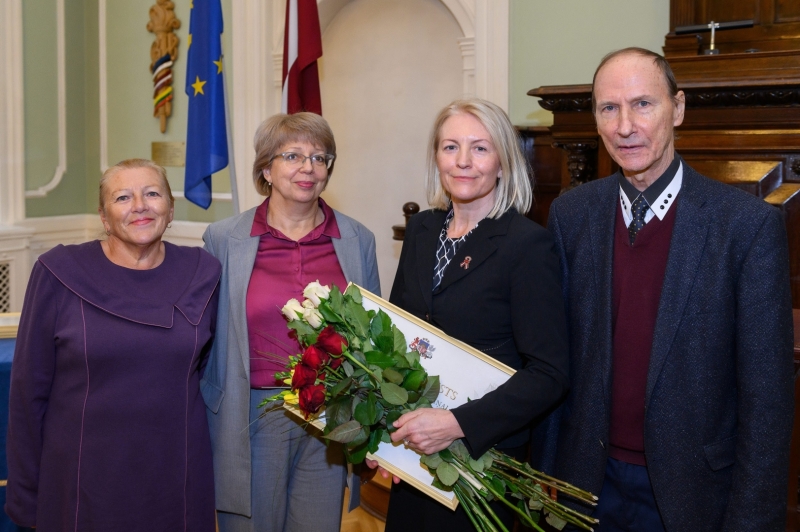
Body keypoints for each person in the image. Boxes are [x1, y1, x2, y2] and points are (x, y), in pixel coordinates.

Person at [536, 47, 795, 532]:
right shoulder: (571, 215)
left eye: (643, 104)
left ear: (677, 108)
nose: (624, 126)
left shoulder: (746, 227)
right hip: (585, 483)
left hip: (693, 491)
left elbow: (768, 400)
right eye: (608, 108)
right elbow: (558, 356)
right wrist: (546, 475)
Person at [376, 98, 569, 530]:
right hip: (415, 453)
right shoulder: (422, 231)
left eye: (480, 148)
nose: (463, 162)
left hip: (483, 460)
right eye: (450, 147)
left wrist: (457, 424)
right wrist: (385, 437)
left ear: (503, 162)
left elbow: (550, 373)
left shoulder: (526, 246)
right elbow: (396, 343)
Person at [6, 159, 220, 531]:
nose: (140, 205)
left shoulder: (204, 272)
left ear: (170, 210)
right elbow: (28, 394)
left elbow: (214, 377)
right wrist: (26, 496)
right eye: (123, 197)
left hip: (177, 475)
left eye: (152, 193)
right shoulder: (58, 273)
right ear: (104, 217)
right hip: (82, 480)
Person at [201, 112, 380, 532]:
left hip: (330, 417)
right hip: (251, 415)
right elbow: (204, 337)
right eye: (293, 156)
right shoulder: (224, 239)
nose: (308, 168)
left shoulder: (357, 240)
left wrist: (371, 425)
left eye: (320, 158)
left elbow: (371, 337)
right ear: (266, 168)